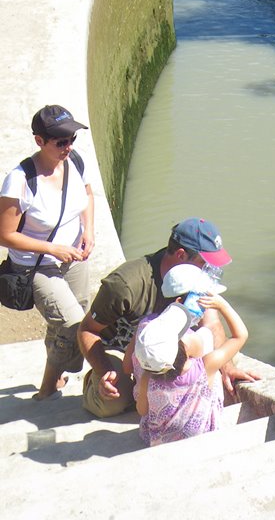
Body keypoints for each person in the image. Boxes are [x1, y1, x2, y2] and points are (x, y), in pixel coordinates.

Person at [78, 217, 257, 418]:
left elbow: (212, 323)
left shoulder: (198, 281)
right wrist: (105, 371)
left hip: (168, 351)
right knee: (114, 403)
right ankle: (92, 385)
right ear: (181, 255)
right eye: (204, 263)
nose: (210, 271)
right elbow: (86, 329)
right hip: (124, 352)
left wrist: (228, 367)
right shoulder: (125, 285)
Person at [0, 106, 94, 399]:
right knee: (71, 324)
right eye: (60, 142)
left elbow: (88, 195)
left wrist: (89, 231)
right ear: (39, 141)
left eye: (71, 139)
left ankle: (56, 374)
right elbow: (5, 234)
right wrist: (53, 248)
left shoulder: (76, 161)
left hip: (74, 257)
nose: (68, 147)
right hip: (37, 264)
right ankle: (47, 388)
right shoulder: (20, 179)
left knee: (73, 317)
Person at [126, 264, 248, 445]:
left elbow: (142, 410)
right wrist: (224, 306)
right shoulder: (205, 366)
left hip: (158, 440)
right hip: (199, 435)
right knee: (206, 336)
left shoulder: (145, 334)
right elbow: (240, 335)